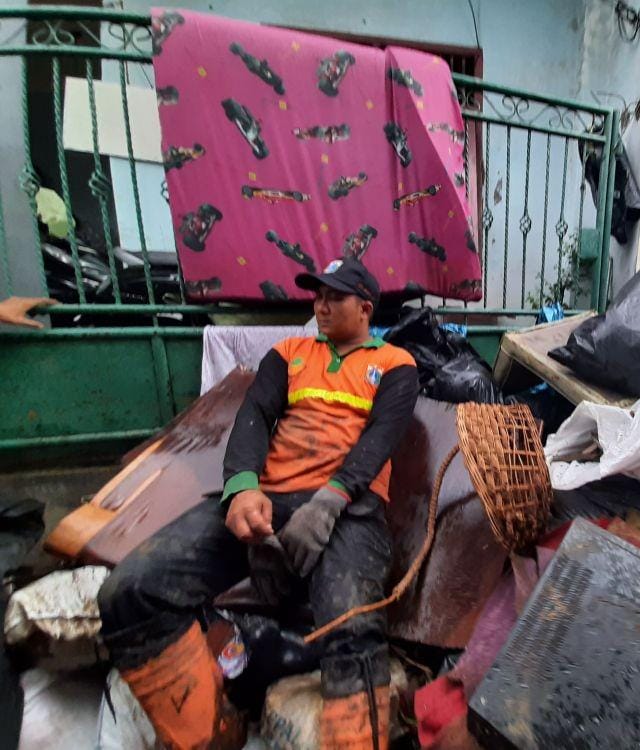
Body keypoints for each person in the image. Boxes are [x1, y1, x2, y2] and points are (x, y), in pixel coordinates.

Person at [98, 258, 418, 749]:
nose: (321, 305)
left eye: (334, 296)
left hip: (347, 510)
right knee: (132, 590)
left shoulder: (396, 364)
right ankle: (208, 735)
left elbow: (379, 440)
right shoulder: (288, 353)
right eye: (317, 295)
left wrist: (328, 503)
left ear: (365, 308)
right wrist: (243, 489)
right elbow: (253, 417)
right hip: (267, 500)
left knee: (351, 627)